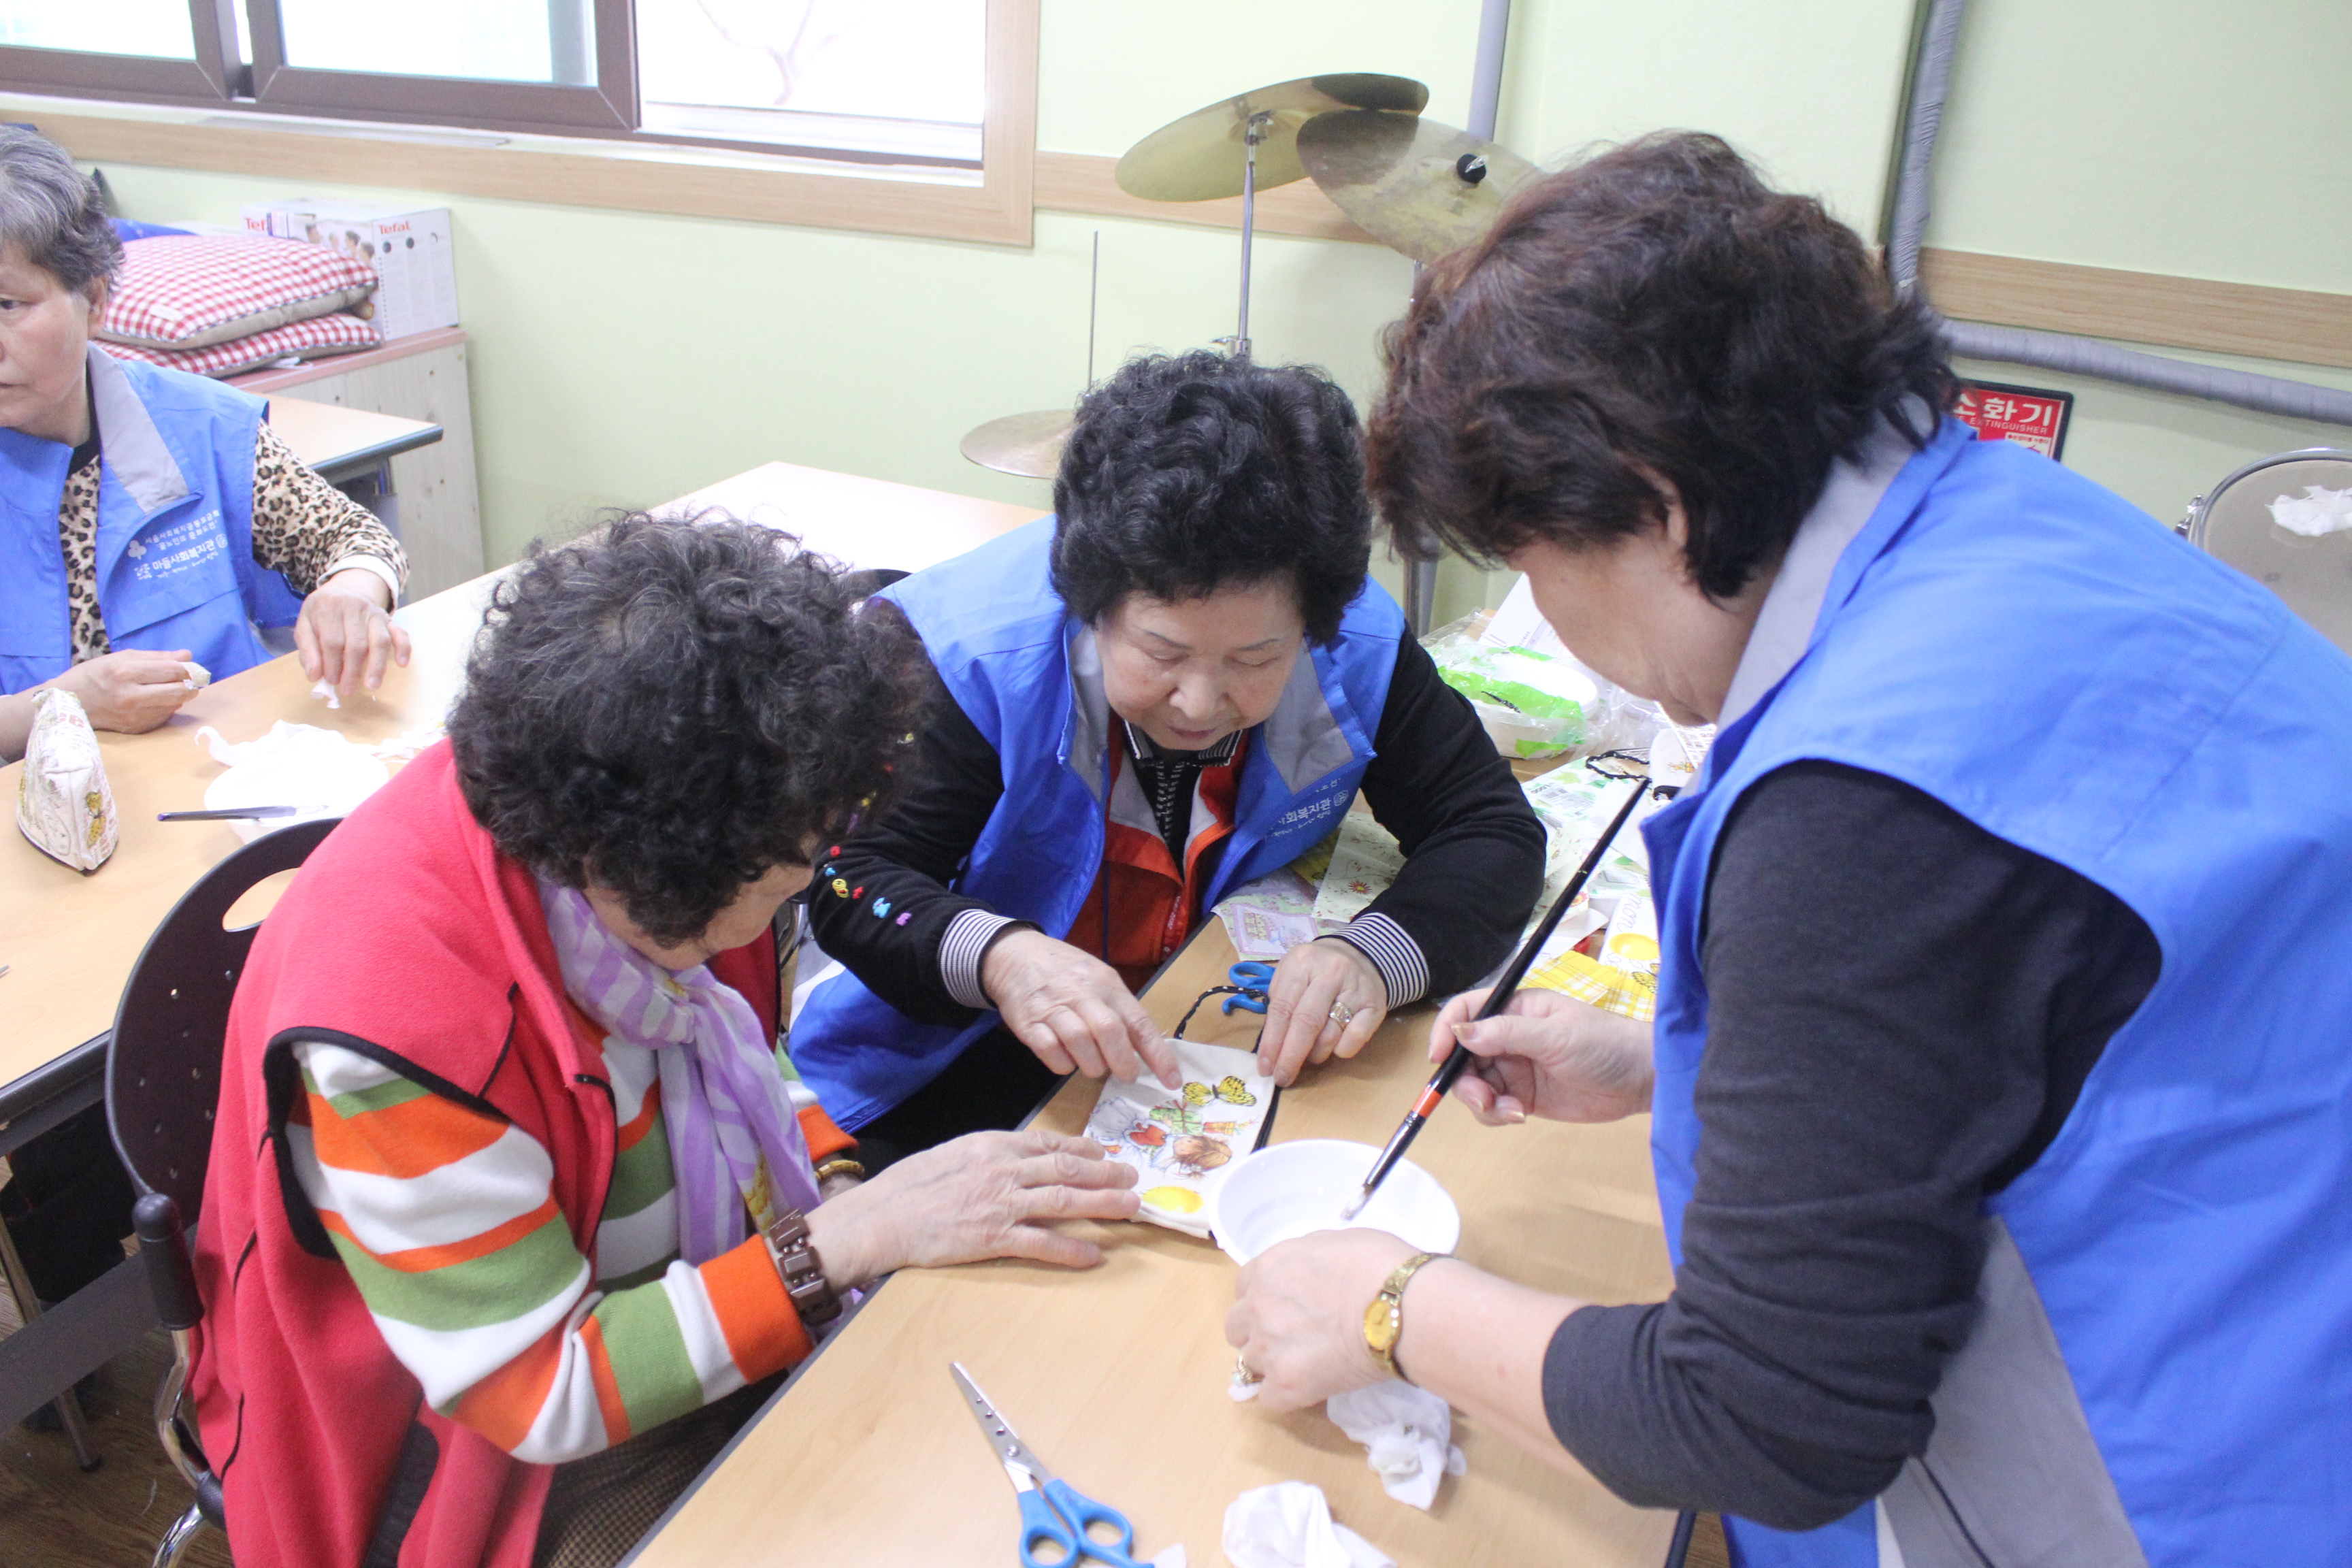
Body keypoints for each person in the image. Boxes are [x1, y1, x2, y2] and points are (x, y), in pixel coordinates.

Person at [1224, 133, 2352, 1566]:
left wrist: (1389, 1305)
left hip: (2185, 1487)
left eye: (1535, 566)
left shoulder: (1862, 804)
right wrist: (1686, 1062)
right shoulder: (2028, 525)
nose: (1552, 620)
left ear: (1657, 506)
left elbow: (1767, 1418)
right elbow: (2041, 1004)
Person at [192, 518, 1142, 1568]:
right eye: (782, 891)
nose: (799, 900)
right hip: (460, 1451)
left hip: (651, 1301)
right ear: (647, 876)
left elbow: (746, 1057)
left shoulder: (661, 810)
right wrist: (841, 1240)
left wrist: (833, 1182)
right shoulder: (403, 1033)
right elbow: (538, 1390)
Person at [794, 351, 1546, 1158]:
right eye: (1162, 652)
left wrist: (1373, 954)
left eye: (1256, 659)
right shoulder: (969, 657)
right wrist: (1000, 958)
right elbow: (847, 880)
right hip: (939, 1066)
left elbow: (1490, 827)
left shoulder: (1353, 641)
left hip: (1189, 1024)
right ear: (1089, 602)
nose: (1198, 701)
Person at [0, 125, 411, 766]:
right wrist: (58, 707)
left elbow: (352, 538)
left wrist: (352, 595)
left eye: (7, 304)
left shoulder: (198, 425)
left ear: (96, 301)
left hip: (215, 774)